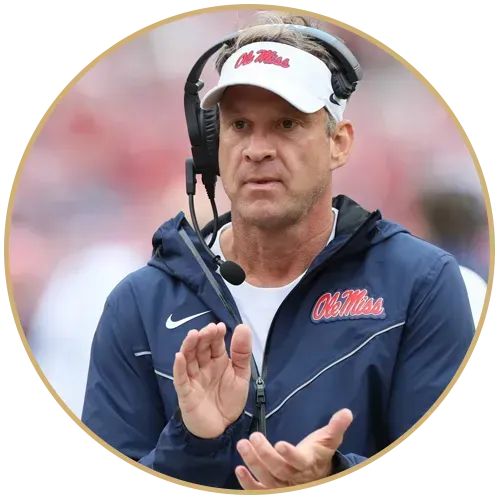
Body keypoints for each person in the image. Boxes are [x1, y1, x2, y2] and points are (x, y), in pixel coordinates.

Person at [81, 13, 475, 491]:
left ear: (338, 143)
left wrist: (334, 476)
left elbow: (451, 481)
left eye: (287, 124)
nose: (257, 149)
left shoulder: (420, 284)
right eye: (239, 125)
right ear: (211, 146)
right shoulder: (139, 304)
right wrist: (196, 443)